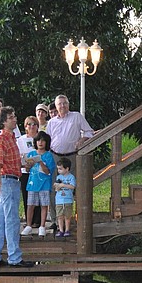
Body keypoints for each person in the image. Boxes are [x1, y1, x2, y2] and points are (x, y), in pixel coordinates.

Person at [0, 106, 33, 268]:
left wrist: (25, 163)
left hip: (13, 179)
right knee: (12, 219)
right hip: (7, 181)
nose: (15, 119)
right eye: (12, 117)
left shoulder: (12, 138)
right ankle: (14, 258)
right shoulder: (1, 139)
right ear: (4, 121)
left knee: (1, 220)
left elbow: (10, 161)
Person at [46, 94, 94, 227]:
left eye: (65, 103)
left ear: (68, 104)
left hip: (72, 156)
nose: (62, 106)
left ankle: (74, 218)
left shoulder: (76, 116)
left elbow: (89, 132)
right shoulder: (51, 122)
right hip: (55, 156)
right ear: (56, 106)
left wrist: (82, 140)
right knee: (54, 187)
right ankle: (56, 220)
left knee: (74, 186)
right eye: (60, 104)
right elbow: (48, 141)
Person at [22, 131, 56, 238]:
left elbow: (48, 171)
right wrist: (28, 165)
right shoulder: (31, 154)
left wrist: (40, 162)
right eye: (38, 141)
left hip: (45, 184)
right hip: (32, 183)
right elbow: (27, 170)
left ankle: (42, 226)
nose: (40, 143)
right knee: (30, 205)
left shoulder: (49, 156)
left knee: (44, 205)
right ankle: (28, 225)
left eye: (43, 141)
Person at [18, 116, 42, 229]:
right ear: (25, 126)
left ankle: (37, 220)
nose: (31, 126)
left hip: (38, 171)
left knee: (38, 195)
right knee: (26, 196)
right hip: (25, 171)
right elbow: (20, 154)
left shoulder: (40, 138)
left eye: (34, 124)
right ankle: (29, 220)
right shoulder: (21, 139)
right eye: (29, 124)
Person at [54, 157, 76, 238]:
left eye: (60, 169)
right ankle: (61, 230)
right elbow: (56, 188)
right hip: (59, 200)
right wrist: (57, 186)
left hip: (68, 199)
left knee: (67, 216)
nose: (59, 171)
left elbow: (72, 186)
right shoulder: (58, 177)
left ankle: (67, 229)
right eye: (58, 169)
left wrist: (63, 185)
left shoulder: (71, 177)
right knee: (59, 216)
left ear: (67, 169)